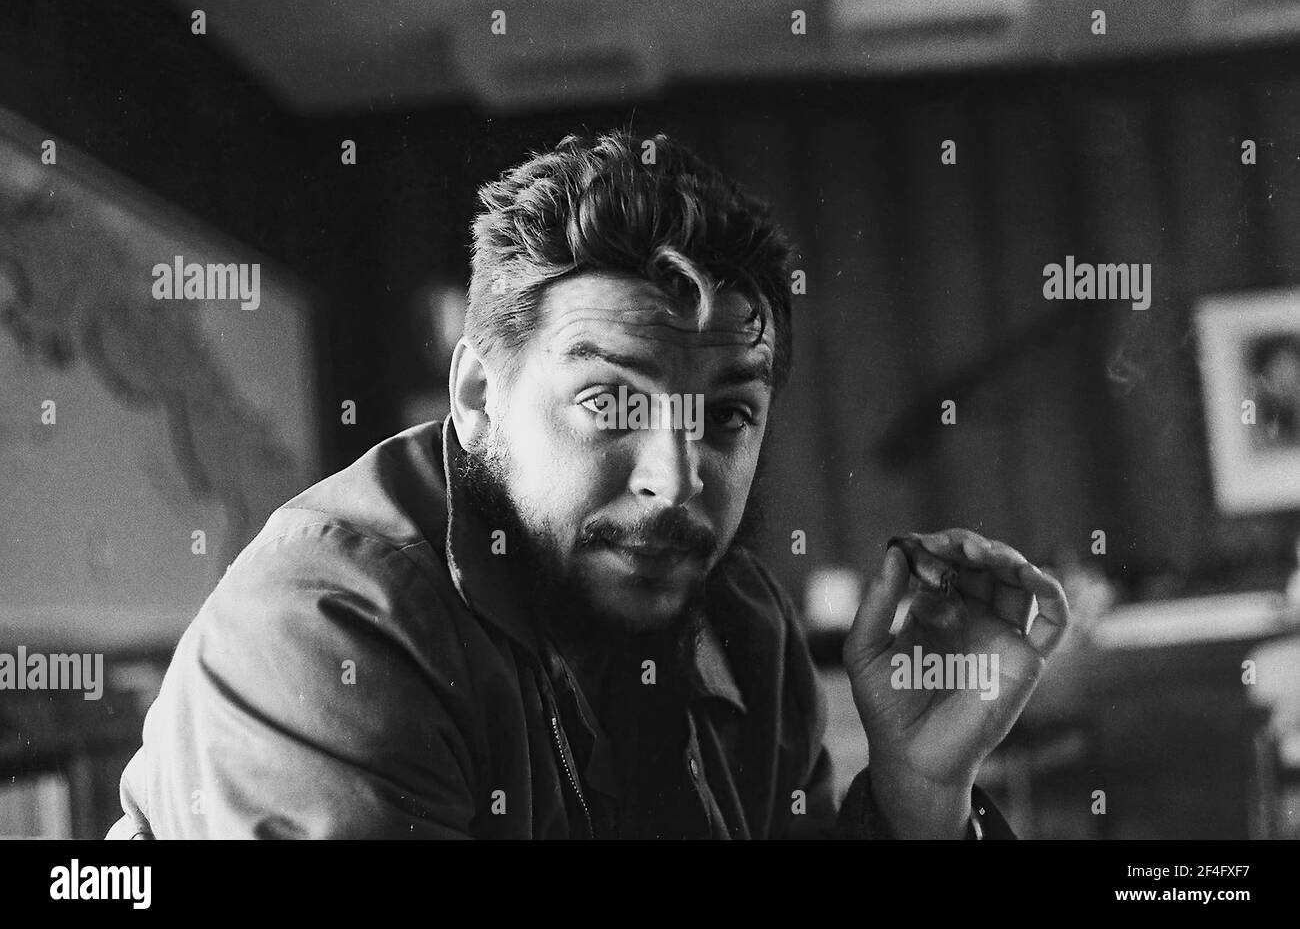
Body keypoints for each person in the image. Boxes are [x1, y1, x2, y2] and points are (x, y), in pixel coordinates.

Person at [108, 130, 1069, 839]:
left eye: (728, 414)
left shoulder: (743, 621)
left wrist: (917, 789)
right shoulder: (325, 630)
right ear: (481, 394)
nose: (676, 478)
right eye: (611, 402)